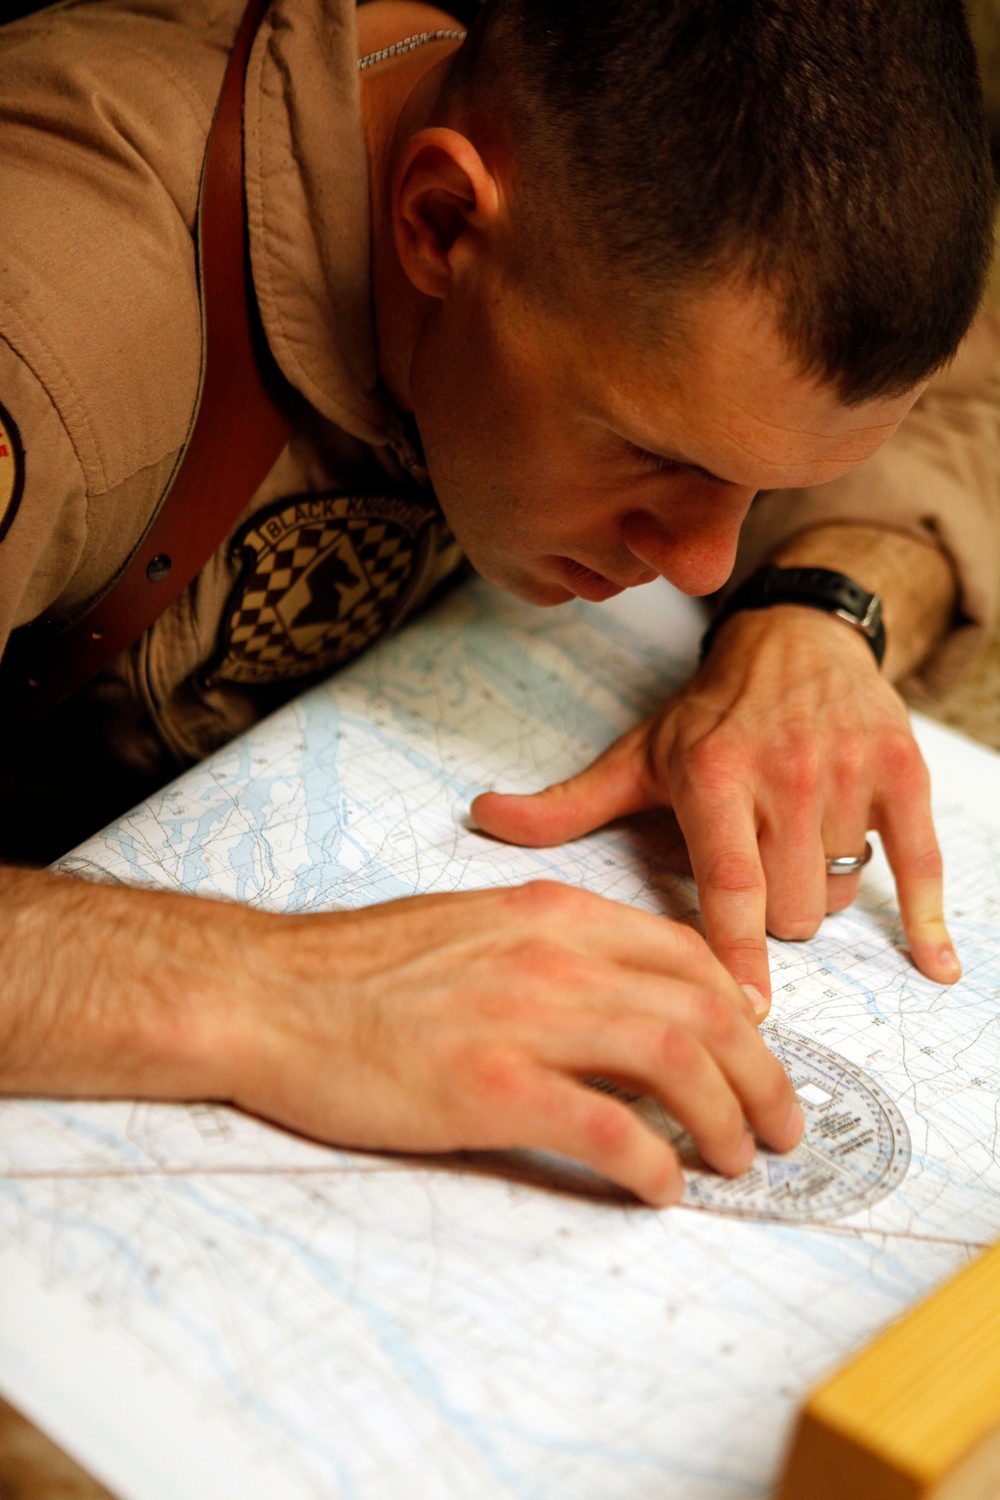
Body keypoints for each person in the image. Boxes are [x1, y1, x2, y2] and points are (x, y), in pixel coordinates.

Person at [0, 0, 996, 1206]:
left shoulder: (616, 222)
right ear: (439, 220)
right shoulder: (54, 307)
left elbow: (949, 398)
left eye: (764, 487)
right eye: (658, 455)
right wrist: (270, 989)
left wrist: (814, 612)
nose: (699, 566)